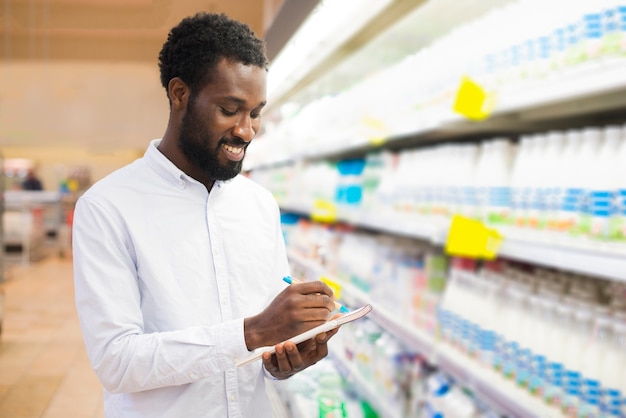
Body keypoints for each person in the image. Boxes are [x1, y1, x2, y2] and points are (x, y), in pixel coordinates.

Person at [72, 12, 340, 418]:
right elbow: (117, 362)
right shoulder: (108, 207)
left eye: (255, 112)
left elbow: (260, 350)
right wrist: (253, 331)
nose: (247, 131)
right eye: (230, 109)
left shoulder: (259, 205)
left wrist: (289, 354)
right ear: (179, 94)